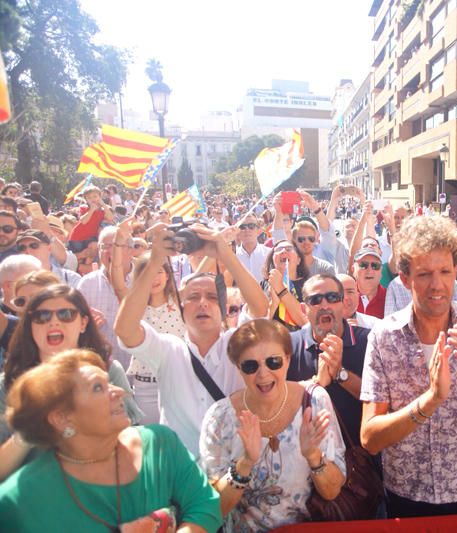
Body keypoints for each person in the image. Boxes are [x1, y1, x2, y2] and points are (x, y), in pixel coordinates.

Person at [360, 215, 457, 517]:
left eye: (445, 271)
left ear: (456, 270)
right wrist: (429, 401)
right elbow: (370, 438)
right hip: (405, 498)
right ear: (405, 279)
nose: (437, 284)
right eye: (424, 274)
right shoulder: (384, 337)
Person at [0, 350, 222, 531]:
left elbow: (205, 505)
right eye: (98, 387)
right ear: (61, 418)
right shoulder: (21, 499)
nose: (118, 391)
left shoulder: (160, 444)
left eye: (109, 382)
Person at [115, 224, 268, 456]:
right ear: (180, 307)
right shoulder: (168, 348)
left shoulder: (237, 343)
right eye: (193, 297)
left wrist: (224, 252)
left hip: (235, 466)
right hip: (182, 472)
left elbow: (260, 306)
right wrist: (156, 260)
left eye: (212, 297)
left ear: (225, 308)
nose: (203, 303)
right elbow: (125, 330)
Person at [199, 319, 345, 531]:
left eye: (273, 362)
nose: (263, 373)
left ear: (287, 359)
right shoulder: (220, 418)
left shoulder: (313, 402)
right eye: (250, 366)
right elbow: (214, 509)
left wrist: (313, 456)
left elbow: (332, 491)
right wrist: (245, 464)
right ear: (239, 369)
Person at [0, 284, 143, 481]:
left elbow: (131, 442)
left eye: (65, 314)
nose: (54, 322)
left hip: (101, 492)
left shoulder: (108, 372)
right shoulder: (8, 385)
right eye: (42, 316)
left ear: (83, 322)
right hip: (33, 500)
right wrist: (28, 430)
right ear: (30, 325)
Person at [286, 274, 371, 446]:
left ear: (342, 303)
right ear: (304, 308)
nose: (324, 305)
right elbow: (278, 400)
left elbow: (380, 402)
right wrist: (316, 384)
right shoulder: (289, 346)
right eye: (315, 300)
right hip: (305, 456)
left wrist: (340, 374)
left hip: (359, 459)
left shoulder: (369, 341)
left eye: (332, 298)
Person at [112, 248, 186, 426]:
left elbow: (201, 271)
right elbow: (118, 284)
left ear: (168, 275)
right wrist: (118, 242)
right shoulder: (134, 308)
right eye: (148, 273)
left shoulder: (178, 300)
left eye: (159, 271)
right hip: (146, 388)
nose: (155, 278)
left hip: (179, 383)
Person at [76, 225, 134, 369]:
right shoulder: (86, 284)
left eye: (117, 245)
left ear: (131, 250)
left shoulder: (145, 281)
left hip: (139, 371)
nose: (111, 251)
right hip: (100, 368)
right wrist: (85, 323)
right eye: (106, 246)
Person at [262, 240, 308, 332]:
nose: (283, 251)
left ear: (299, 259)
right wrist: (273, 304)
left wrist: (281, 289)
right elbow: (259, 326)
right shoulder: (264, 285)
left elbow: (306, 323)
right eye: (278, 249)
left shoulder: (308, 285)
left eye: (289, 249)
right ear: (273, 259)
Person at [15, 229, 80, 288]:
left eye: (34, 245)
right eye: (22, 248)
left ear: (49, 248)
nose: (28, 251)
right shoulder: (14, 281)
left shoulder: (70, 278)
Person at [236, 213, 271, 284]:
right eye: (242, 227)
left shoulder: (269, 254)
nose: (247, 230)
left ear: (259, 230)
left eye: (251, 226)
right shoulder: (233, 257)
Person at [353, 247, 386, 319]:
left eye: (375, 266)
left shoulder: (390, 297)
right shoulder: (344, 296)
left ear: (381, 271)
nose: (370, 270)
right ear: (353, 269)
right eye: (363, 265)